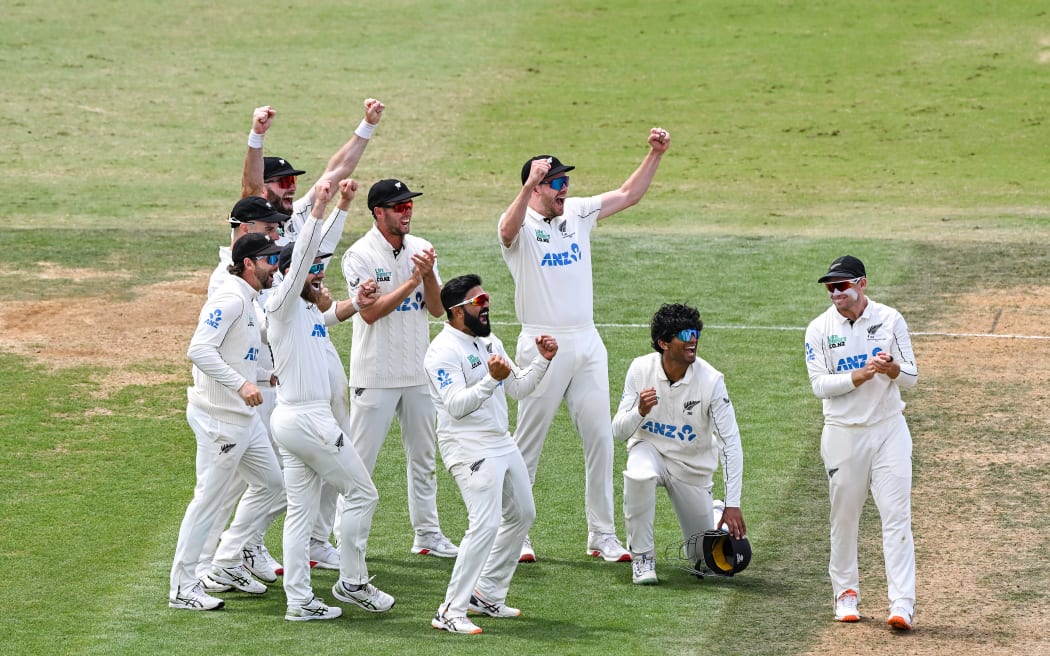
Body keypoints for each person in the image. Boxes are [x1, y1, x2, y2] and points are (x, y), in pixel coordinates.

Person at [498, 127, 671, 563]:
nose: (565, 188)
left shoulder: (576, 212)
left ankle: (602, 535)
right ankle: (516, 532)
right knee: (528, 442)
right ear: (537, 188)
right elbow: (505, 230)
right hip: (542, 344)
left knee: (600, 439)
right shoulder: (521, 224)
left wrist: (655, 153)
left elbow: (629, 194)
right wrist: (526, 186)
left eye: (566, 181)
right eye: (556, 182)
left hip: (587, 341)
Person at [266, 177, 392, 622]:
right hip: (307, 421)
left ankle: (299, 601)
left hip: (296, 421)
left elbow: (328, 310)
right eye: (311, 271)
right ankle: (353, 582)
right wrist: (319, 206)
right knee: (362, 493)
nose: (319, 275)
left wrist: (356, 300)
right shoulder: (282, 303)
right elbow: (303, 255)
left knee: (300, 516)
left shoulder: (304, 309)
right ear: (289, 275)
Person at [424, 274, 557, 635]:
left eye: (485, 298)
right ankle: (449, 611)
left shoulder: (489, 341)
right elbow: (455, 406)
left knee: (522, 514)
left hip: (501, 441)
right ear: (456, 311)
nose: (486, 306)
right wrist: (490, 379)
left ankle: (486, 594)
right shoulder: (442, 351)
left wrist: (543, 361)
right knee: (484, 524)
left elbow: (518, 388)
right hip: (467, 446)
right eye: (478, 301)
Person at [339, 178, 458, 558]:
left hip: (418, 373)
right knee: (359, 464)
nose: (407, 212)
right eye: (399, 206)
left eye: (409, 205)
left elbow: (437, 309)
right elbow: (370, 313)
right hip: (375, 375)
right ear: (379, 212)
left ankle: (428, 534)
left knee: (424, 459)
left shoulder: (421, 248)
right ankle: (344, 539)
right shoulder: (358, 255)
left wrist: (429, 275)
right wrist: (412, 281)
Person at [169, 233, 287, 611]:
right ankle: (182, 588)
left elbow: (238, 354)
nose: (275, 268)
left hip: (244, 420)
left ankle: (228, 558)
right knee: (207, 501)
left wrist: (264, 376)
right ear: (248, 263)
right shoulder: (230, 298)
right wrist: (241, 384)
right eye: (269, 260)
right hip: (220, 420)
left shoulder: (249, 301)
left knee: (272, 485)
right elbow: (199, 350)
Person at [804, 255, 918, 631]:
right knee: (844, 516)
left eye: (842, 285)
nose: (835, 292)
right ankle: (846, 594)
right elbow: (819, 385)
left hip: (888, 429)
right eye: (830, 287)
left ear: (862, 283)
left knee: (896, 515)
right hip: (842, 433)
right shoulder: (819, 329)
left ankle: (902, 603)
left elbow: (912, 376)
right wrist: (860, 375)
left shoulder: (890, 319)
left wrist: (891, 369)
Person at [612, 303, 746, 585]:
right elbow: (619, 431)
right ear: (663, 343)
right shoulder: (640, 369)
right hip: (649, 450)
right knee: (639, 475)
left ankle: (716, 510)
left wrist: (733, 504)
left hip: (691, 467)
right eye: (685, 334)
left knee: (701, 556)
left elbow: (730, 443)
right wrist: (639, 412)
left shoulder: (712, 381)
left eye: (696, 332)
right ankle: (643, 559)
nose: (693, 339)